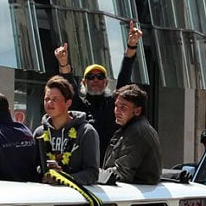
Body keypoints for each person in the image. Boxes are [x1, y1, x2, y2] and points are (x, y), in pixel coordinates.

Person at [55, 21, 143, 160]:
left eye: (100, 76)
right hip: (83, 167)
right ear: (84, 82)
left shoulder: (113, 104)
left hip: (110, 167)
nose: (95, 80)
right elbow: (68, 84)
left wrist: (131, 45)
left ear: (106, 82)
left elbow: (124, 76)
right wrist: (63, 63)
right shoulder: (79, 107)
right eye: (90, 77)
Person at [33, 76, 100, 185]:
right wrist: (43, 171)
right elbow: (32, 168)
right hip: (45, 197)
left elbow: (92, 173)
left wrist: (63, 178)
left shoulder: (86, 132)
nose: (49, 103)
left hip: (74, 198)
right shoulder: (39, 133)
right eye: (47, 99)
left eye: (55, 99)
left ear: (68, 103)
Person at [101, 84, 162, 184]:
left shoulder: (137, 132)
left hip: (137, 195)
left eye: (123, 108)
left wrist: (96, 174)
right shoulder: (131, 128)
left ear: (137, 111)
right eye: (116, 106)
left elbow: (122, 173)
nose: (117, 111)